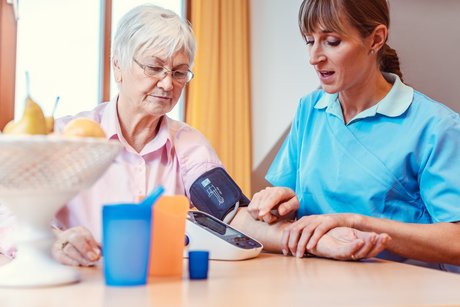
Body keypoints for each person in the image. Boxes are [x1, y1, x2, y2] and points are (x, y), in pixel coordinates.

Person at [38, 4, 384, 267]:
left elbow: (234, 216)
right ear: (117, 65)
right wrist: (54, 241)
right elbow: (8, 209)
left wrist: (319, 241)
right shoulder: (71, 135)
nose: (166, 83)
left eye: (178, 72)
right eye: (154, 67)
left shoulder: (187, 143)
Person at [241, 0, 460, 272]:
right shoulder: (310, 109)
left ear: (376, 39)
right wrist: (280, 204)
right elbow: (292, 208)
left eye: (332, 42)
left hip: (400, 290)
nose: (314, 57)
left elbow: (456, 242)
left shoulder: (436, 126)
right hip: (309, 281)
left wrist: (357, 222)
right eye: (310, 41)